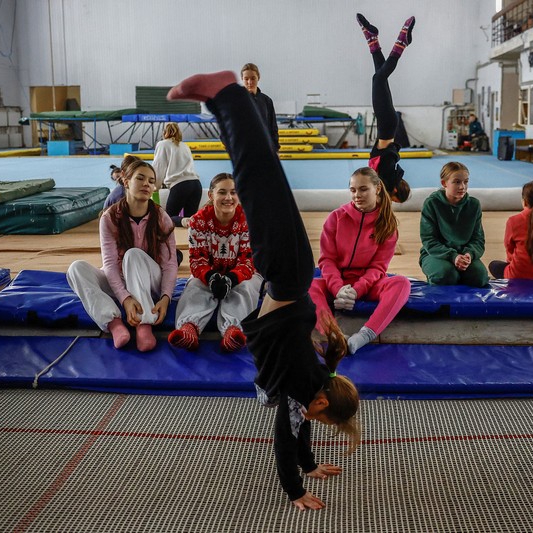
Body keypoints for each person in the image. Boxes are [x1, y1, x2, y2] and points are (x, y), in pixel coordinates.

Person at [168, 69, 360, 511]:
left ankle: (224, 99)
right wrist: (296, 488)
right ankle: (225, 93)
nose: (312, 420)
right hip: (286, 274)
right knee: (256, 179)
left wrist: (310, 463)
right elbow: (284, 440)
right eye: (321, 416)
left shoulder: (315, 384)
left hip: (293, 274)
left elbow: (302, 428)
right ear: (321, 400)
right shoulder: (302, 390)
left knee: (265, 175)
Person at [67, 156, 178, 352]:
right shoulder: (110, 217)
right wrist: (125, 298)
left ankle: (144, 323)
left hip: (148, 282)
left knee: (133, 255)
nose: (147, 184)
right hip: (120, 282)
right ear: (126, 182)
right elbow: (109, 264)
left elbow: (170, 264)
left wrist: (165, 297)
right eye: (140, 178)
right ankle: (114, 323)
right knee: (76, 269)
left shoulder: (161, 217)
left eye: (151, 181)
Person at [309, 167, 411, 355]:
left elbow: (378, 267)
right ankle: (334, 335)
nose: (357, 195)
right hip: (337, 283)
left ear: (377, 188)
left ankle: (364, 336)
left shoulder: (387, 224)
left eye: (363, 189)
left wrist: (356, 291)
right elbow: (327, 260)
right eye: (353, 190)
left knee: (401, 283)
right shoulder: (336, 218)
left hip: (368, 284)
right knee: (310, 286)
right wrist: (337, 288)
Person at [168, 173, 263, 353]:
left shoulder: (248, 221)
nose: (228, 198)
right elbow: (197, 260)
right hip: (210, 272)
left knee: (245, 289)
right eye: (222, 192)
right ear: (211, 195)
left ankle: (232, 330)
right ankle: (189, 327)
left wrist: (232, 279)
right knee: (195, 286)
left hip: (242, 274)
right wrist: (211, 277)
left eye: (233, 193)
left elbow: (248, 261)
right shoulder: (198, 221)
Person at [356, 13, 415, 203]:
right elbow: (382, 190)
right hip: (387, 125)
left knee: (380, 76)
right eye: (394, 199)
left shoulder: (387, 175)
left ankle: (372, 39)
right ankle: (402, 43)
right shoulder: (388, 175)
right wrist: (385, 195)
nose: (391, 201)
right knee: (378, 79)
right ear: (395, 190)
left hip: (387, 125)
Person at [420, 161, 489, 287]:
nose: (462, 186)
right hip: (436, 254)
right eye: (457, 182)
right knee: (446, 275)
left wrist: (469, 255)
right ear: (444, 183)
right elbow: (429, 240)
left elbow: (478, 239)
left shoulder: (474, 205)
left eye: (466, 182)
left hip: (464, 255)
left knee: (480, 277)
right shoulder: (432, 204)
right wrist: (453, 256)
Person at [152, 122, 203, 228]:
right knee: (191, 223)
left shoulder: (162, 144)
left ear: (164, 132)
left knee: (169, 218)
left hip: (180, 185)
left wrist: (155, 187)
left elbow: (159, 166)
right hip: (196, 184)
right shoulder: (185, 146)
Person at [241, 63, 280, 152]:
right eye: (246, 79)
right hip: (243, 150)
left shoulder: (267, 101)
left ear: (258, 77)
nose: (249, 82)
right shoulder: (235, 101)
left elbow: (273, 127)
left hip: (264, 149)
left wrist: (275, 148)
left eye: (253, 78)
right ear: (242, 79)